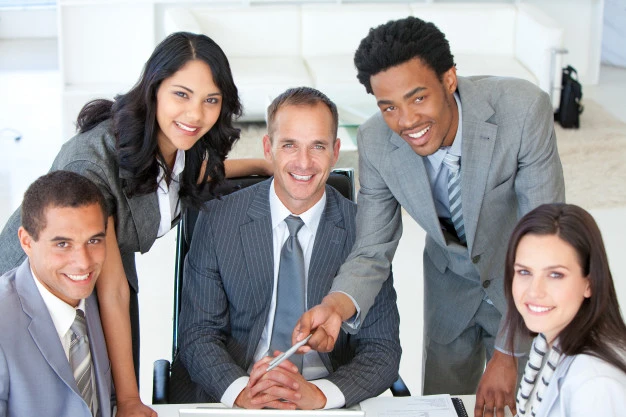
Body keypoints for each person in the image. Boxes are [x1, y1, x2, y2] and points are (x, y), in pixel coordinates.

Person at [293, 16, 565, 417]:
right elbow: (372, 247)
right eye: (389, 106)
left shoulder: (523, 110)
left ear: (449, 79)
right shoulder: (375, 141)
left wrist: (508, 352)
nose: (406, 121)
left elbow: (545, 240)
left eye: (418, 98)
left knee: (525, 407)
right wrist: (335, 306)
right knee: (445, 404)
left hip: (524, 286)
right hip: (448, 287)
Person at [0, 32, 270, 416]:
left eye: (211, 100)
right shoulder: (94, 164)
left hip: (97, 275)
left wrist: (263, 165)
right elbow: (111, 292)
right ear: (154, 89)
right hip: (42, 291)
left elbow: (192, 176)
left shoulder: (182, 143)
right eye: (181, 94)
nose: (195, 114)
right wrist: (129, 398)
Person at [170, 87, 401, 409]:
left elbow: (382, 349)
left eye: (317, 146)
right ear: (269, 148)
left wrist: (321, 396)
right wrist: (240, 391)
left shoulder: (365, 231)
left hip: (323, 395)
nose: (304, 163)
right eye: (290, 145)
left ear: (335, 152)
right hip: (235, 391)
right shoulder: (219, 220)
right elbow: (198, 334)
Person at [0, 171, 114, 416]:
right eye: (63, 244)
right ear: (27, 242)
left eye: (94, 241)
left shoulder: (98, 300)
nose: (83, 263)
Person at [503, 203, 626, 417]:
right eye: (524, 272)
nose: (535, 291)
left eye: (555, 275)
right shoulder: (551, 345)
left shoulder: (595, 384)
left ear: (589, 283)